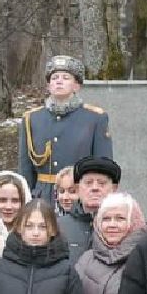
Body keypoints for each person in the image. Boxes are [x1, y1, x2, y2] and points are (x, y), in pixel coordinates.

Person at [19, 54, 114, 202]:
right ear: (48, 85)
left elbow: (103, 167)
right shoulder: (32, 119)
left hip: (79, 197)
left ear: (76, 85)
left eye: (65, 77)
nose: (59, 81)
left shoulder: (94, 118)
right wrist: (26, 200)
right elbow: (25, 169)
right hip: (42, 198)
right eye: (55, 78)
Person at [62, 155, 122, 260]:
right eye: (88, 183)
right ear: (77, 188)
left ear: (114, 188)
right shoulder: (59, 227)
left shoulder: (126, 227)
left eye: (102, 183)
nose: (94, 188)